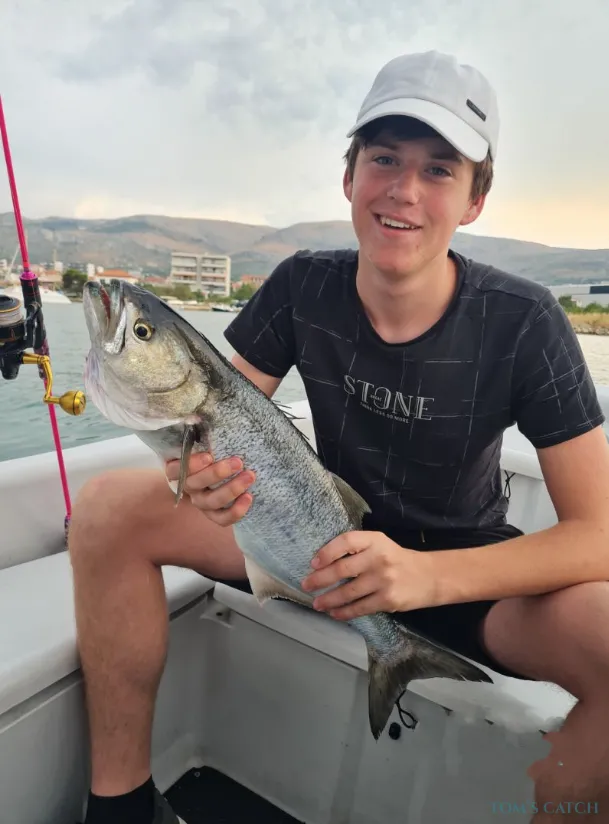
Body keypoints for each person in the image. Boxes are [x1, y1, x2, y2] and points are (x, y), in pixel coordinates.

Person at [69, 51, 609, 824]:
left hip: (467, 582)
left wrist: (423, 579)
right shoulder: (301, 284)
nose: (404, 190)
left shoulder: (524, 322)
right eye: (383, 158)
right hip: (311, 548)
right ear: (349, 175)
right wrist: (203, 483)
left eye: (438, 169)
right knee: (105, 511)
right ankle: (120, 808)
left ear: (474, 199)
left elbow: (597, 535)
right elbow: (218, 416)